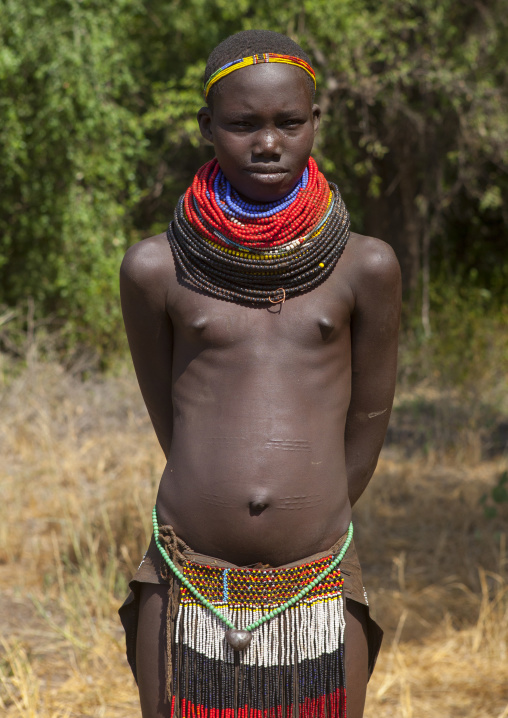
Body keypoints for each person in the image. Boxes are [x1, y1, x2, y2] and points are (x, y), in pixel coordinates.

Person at [119, 29, 401, 718]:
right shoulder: (157, 270)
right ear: (207, 127)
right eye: (243, 124)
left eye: (288, 123)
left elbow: (369, 417)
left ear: (314, 122)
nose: (268, 143)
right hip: (189, 574)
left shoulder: (365, 268)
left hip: (317, 576)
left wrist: (309, 513)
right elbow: (172, 416)